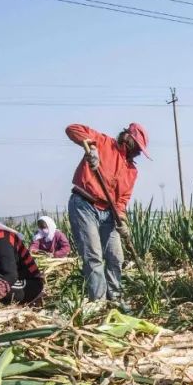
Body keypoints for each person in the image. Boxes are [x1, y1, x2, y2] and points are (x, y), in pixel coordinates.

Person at [64, 122, 150, 304]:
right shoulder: (103, 142)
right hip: (84, 205)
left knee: (116, 256)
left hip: (109, 214)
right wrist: (90, 147)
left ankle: (116, 298)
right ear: (128, 138)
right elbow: (72, 129)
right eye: (138, 147)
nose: (138, 153)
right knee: (93, 256)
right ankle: (99, 302)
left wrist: (122, 221)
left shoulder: (131, 170)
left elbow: (122, 200)